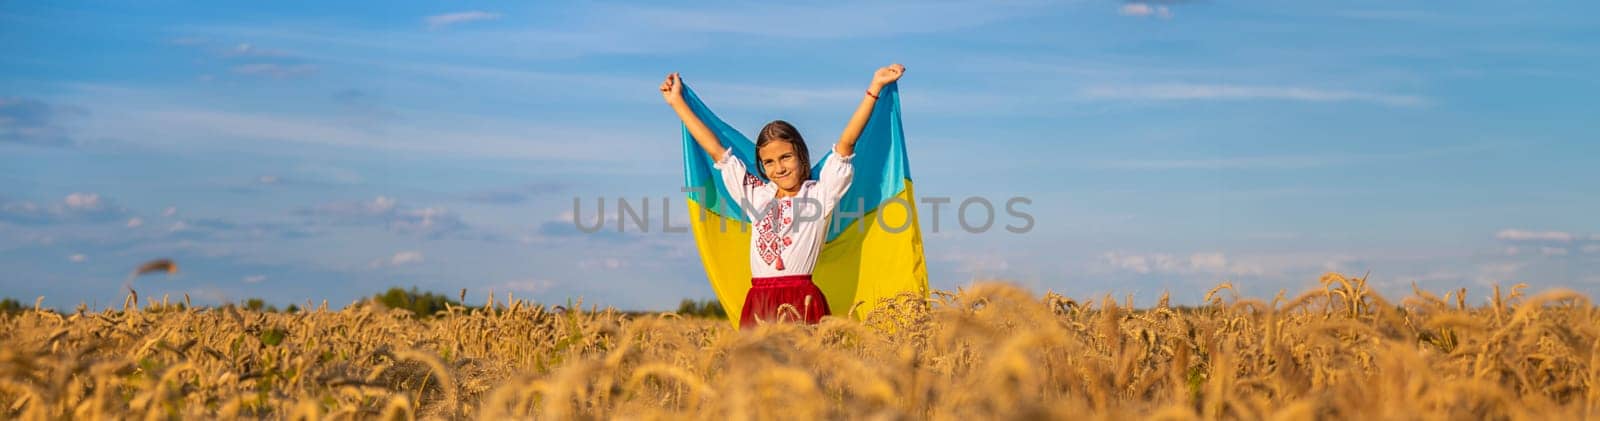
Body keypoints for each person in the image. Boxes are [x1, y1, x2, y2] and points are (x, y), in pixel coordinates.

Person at [661, 64, 906, 328]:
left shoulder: (819, 194)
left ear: (801, 155)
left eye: (786, 157)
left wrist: (875, 87)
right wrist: (677, 103)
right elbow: (717, 151)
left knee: (805, 367)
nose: (779, 167)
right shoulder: (756, 196)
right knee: (757, 368)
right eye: (769, 162)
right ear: (762, 166)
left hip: (802, 299)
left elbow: (846, 145)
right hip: (759, 301)